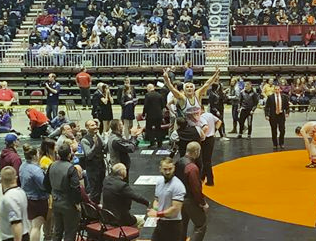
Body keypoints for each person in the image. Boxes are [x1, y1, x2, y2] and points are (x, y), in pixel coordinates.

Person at [43, 143, 81, 241]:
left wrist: (53, 193)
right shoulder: (71, 168)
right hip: (69, 204)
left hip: (56, 201)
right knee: (69, 232)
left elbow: (45, 184)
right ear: (69, 155)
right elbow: (75, 188)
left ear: (59, 155)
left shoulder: (52, 165)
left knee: (57, 232)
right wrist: (76, 202)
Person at [175, 142, 209, 241]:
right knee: (201, 224)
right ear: (196, 152)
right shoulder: (192, 168)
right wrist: (203, 203)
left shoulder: (179, 162)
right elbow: (196, 188)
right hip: (189, 200)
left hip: (179, 199)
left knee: (183, 225)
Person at [147, 157, 186, 241]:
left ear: (174, 168)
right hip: (161, 223)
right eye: (165, 169)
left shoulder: (178, 186)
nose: (168, 172)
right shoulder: (159, 182)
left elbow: (175, 209)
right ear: (160, 169)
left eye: (170, 169)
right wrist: (155, 209)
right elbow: (157, 200)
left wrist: (157, 214)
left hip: (173, 225)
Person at [102, 163, 149, 228]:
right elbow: (136, 197)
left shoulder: (106, 180)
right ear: (123, 172)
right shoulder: (122, 186)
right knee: (141, 221)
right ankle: (130, 237)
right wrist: (148, 203)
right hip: (120, 218)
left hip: (107, 216)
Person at [19, 144, 49, 241]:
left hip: (26, 198)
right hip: (37, 200)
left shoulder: (22, 166)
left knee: (32, 226)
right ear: (35, 155)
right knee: (36, 227)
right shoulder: (36, 170)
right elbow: (44, 186)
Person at [0, 166, 30, 241]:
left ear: (1, 180)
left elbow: (16, 223)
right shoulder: (21, 192)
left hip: (13, 236)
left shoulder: (8, 198)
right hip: (25, 233)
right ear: (15, 178)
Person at [81, 120, 106, 204]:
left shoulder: (97, 135)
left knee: (100, 188)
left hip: (101, 166)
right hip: (92, 169)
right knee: (94, 190)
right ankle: (92, 210)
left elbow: (103, 147)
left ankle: (97, 206)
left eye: (95, 124)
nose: (95, 126)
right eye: (92, 125)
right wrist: (95, 145)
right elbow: (88, 155)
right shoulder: (84, 140)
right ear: (87, 128)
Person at [200, 106, 222, 186]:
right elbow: (219, 121)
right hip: (211, 138)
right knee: (207, 160)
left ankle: (210, 180)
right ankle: (202, 177)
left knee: (205, 161)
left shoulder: (201, 117)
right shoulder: (209, 114)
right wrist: (214, 130)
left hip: (205, 139)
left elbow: (205, 127)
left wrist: (201, 136)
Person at [265, 85, 290, 150]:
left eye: (278, 89)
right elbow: (267, 107)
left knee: (282, 130)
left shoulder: (284, 97)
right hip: (273, 116)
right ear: (274, 90)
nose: (277, 91)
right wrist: (266, 115)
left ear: (280, 90)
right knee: (274, 130)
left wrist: (287, 113)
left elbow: (287, 107)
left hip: (281, 115)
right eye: (275, 89)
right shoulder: (270, 97)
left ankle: (281, 143)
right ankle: (275, 144)